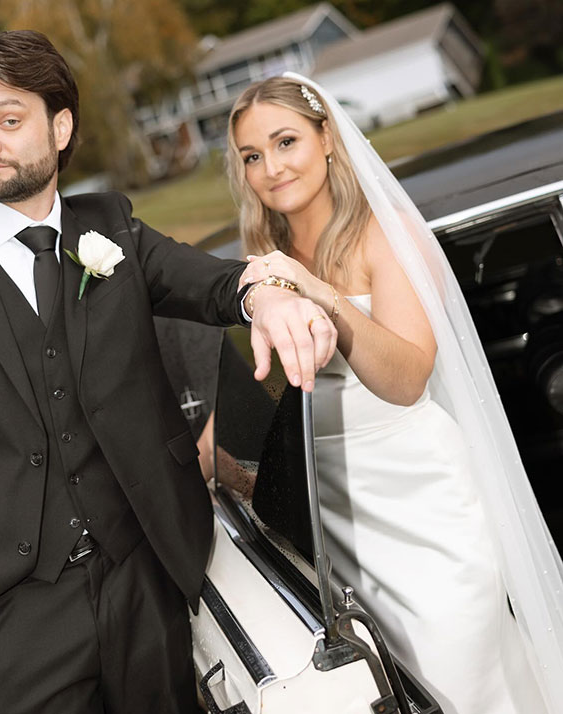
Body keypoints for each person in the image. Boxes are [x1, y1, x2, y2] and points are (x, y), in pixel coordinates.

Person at [0, 33, 336, 714]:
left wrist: (264, 295)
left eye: (8, 119)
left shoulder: (108, 228)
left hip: (146, 587)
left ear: (60, 128)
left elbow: (210, 283)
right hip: (3, 627)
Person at [225, 74, 563, 714]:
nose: (270, 168)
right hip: (336, 524)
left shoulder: (388, 234)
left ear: (327, 138)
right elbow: (281, 390)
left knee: (461, 680)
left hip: (424, 507)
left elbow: (405, 381)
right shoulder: (265, 259)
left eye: (286, 141)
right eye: (251, 156)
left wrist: (317, 291)